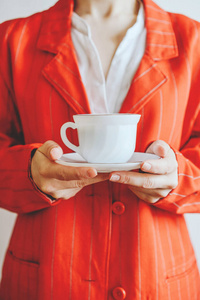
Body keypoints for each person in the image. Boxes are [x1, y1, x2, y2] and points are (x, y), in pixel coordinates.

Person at [0, 0, 200, 299]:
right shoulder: (13, 39)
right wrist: (28, 172)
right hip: (47, 277)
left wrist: (179, 178)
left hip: (157, 274)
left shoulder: (193, 39)